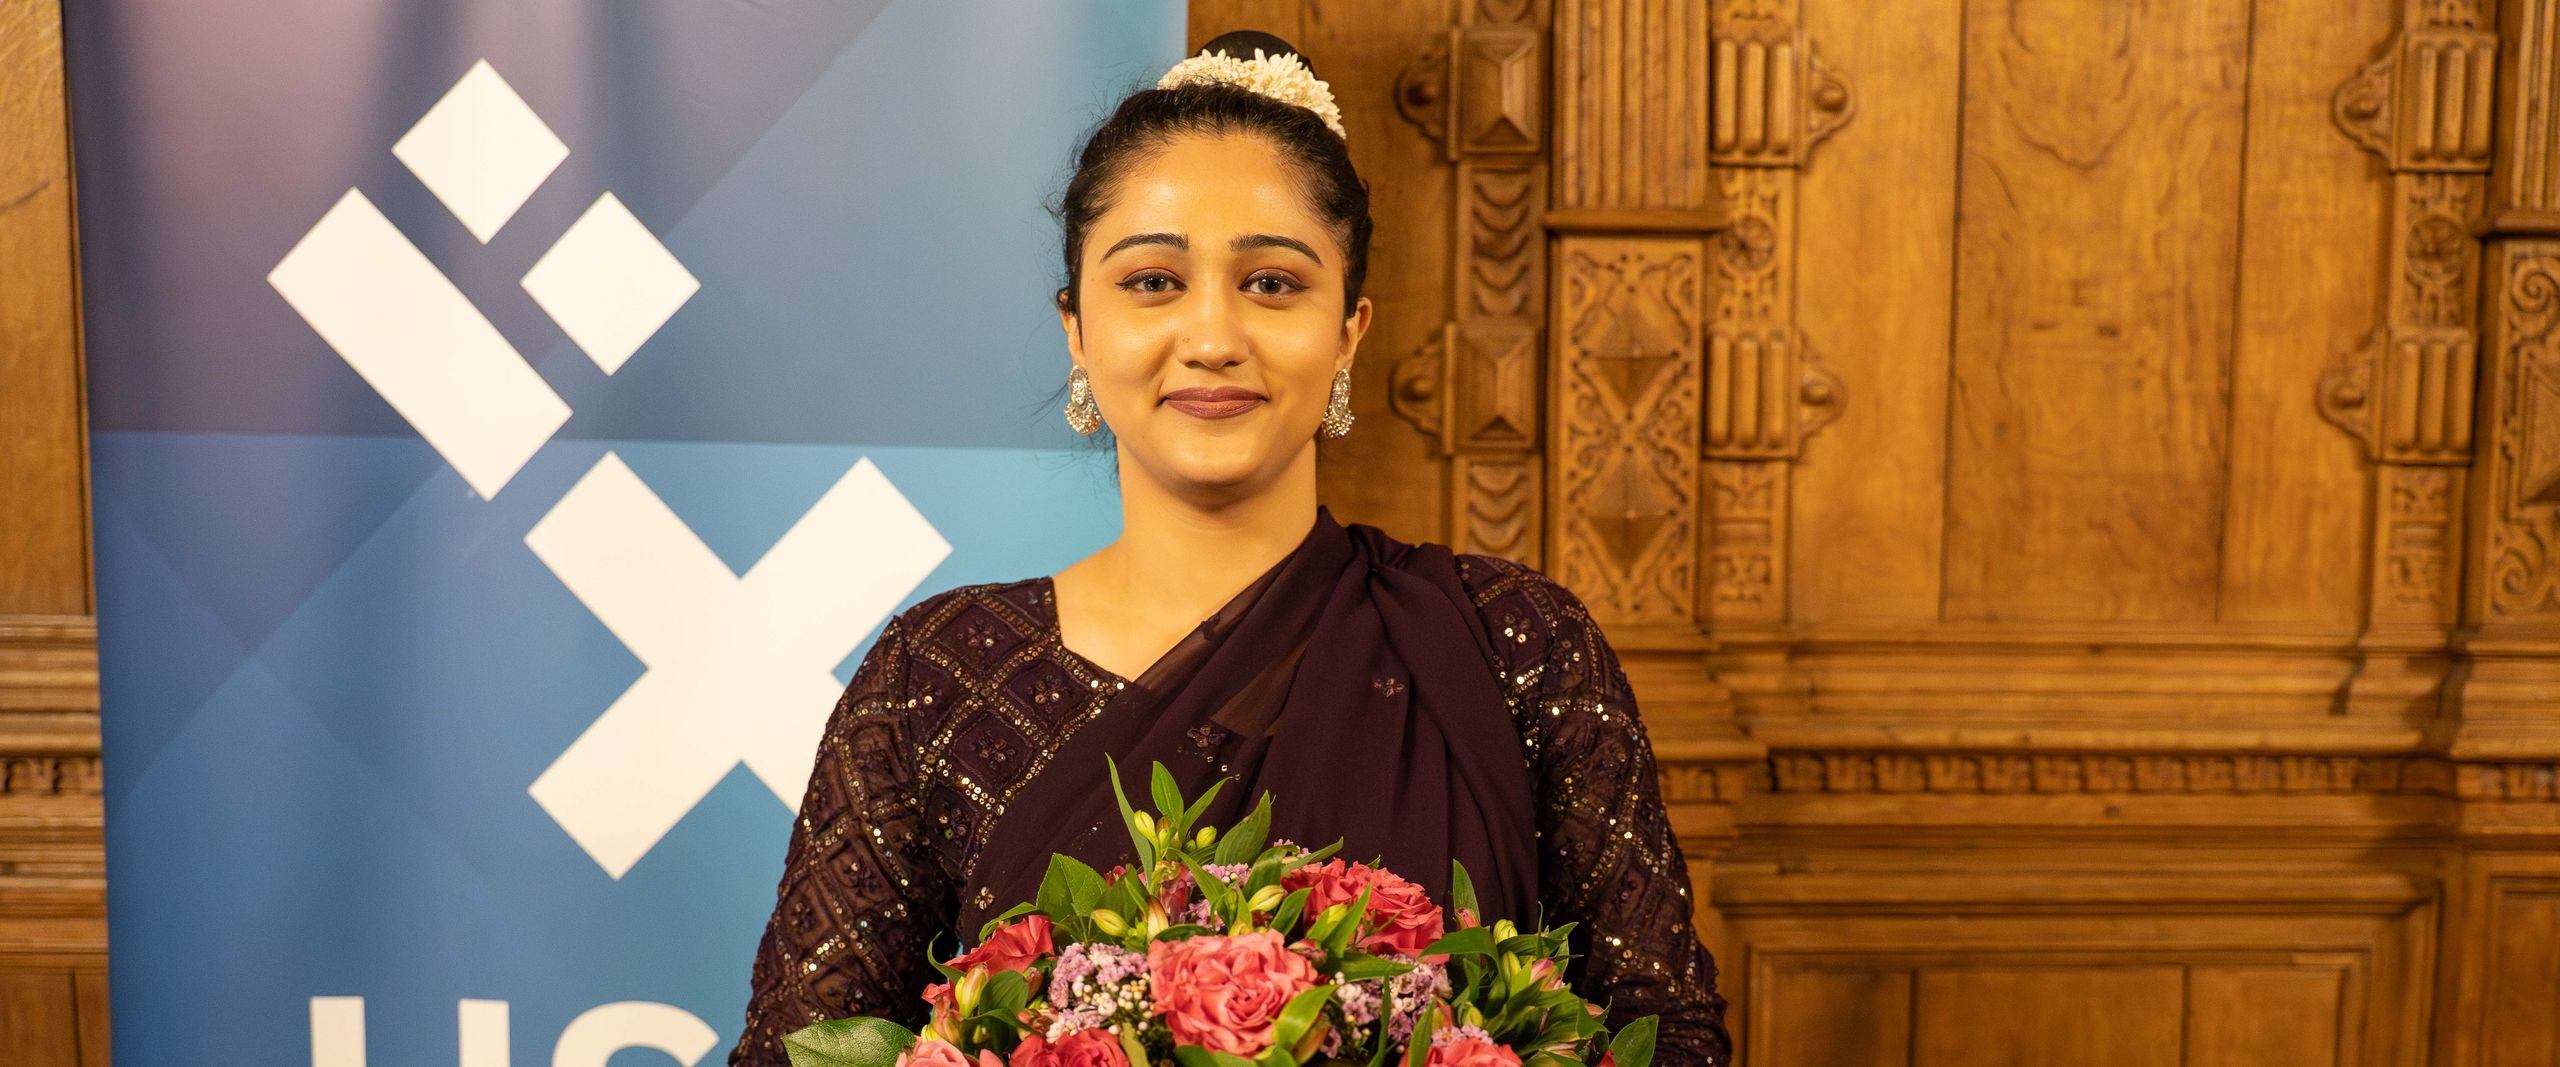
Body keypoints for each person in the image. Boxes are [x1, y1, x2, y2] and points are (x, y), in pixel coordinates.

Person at [730, 31, 1731, 1066]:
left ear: (1348, 328)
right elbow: (793, 1053)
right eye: (1153, 281)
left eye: (1272, 283)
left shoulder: (1516, 644)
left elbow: (1668, 1038)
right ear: (1077, 329)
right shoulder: (937, 674)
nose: (1212, 335)